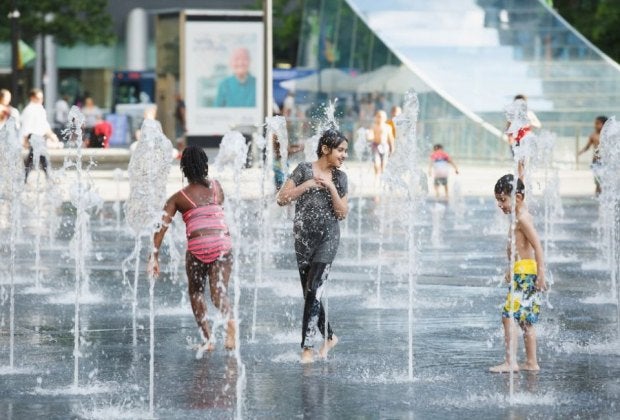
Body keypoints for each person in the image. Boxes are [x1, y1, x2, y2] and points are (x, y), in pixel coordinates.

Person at [148, 146, 236, 357]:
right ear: (205, 165)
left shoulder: (178, 198)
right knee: (218, 293)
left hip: (198, 247)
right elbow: (216, 214)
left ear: (183, 169)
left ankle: (208, 340)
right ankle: (230, 321)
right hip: (223, 244)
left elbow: (161, 227)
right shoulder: (217, 188)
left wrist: (154, 256)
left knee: (196, 291)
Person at [276, 129, 349, 364]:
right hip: (303, 239)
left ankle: (306, 348)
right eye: (340, 150)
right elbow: (282, 198)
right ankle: (329, 336)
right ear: (326, 149)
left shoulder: (340, 178)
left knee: (315, 288)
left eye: (345, 151)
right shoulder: (303, 170)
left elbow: (342, 213)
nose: (344, 155)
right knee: (310, 293)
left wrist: (330, 188)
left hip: (327, 239)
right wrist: (306, 185)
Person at [490, 174, 547, 373]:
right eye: (498, 200)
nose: (500, 204)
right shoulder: (521, 211)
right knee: (525, 321)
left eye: (503, 199)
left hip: (525, 274)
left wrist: (541, 274)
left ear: (518, 197)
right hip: (523, 271)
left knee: (508, 317)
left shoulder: (522, 218)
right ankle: (531, 363)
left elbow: (537, 246)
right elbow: (520, 185)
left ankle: (511, 362)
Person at [20, 88, 63, 182]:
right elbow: (26, 126)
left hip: (39, 136)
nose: (41, 100)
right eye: (38, 98)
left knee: (33, 158)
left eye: (41, 98)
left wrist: (51, 135)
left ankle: (24, 177)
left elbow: (44, 124)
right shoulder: (29, 110)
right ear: (32, 97)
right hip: (34, 136)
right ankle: (48, 177)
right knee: (41, 157)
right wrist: (24, 139)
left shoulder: (39, 108)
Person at [578, 115, 607, 196]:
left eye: (598, 123)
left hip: (605, 161)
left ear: (604, 124)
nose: (595, 125)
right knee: (597, 180)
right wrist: (581, 152)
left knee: (605, 180)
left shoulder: (607, 136)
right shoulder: (593, 136)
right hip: (596, 162)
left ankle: (605, 196)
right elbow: (587, 146)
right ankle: (598, 196)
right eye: (595, 123)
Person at [367, 110, 395, 178]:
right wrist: (369, 137)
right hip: (375, 146)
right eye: (378, 117)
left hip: (385, 146)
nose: (380, 118)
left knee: (384, 164)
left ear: (385, 118)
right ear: (375, 118)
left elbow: (391, 138)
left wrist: (392, 147)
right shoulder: (373, 126)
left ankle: (382, 177)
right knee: (376, 162)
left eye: (382, 117)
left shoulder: (388, 127)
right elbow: (370, 134)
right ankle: (376, 175)